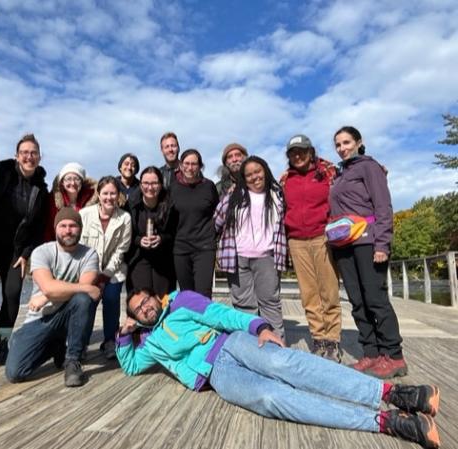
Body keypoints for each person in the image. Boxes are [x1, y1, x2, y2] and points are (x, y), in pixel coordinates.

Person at [116, 288, 441, 449]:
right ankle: (386, 421)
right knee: (269, 397)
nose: (144, 307)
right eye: (137, 309)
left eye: (146, 300)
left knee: (282, 362)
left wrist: (259, 327)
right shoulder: (148, 342)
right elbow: (130, 367)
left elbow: (221, 315)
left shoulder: (181, 301)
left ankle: (394, 393)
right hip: (216, 375)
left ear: (155, 298)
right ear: (136, 317)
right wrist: (123, 336)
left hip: (230, 343)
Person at [329, 126, 406, 378]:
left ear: (359, 142)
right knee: (357, 301)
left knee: (375, 299)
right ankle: (371, 353)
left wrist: (382, 244)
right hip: (344, 245)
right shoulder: (339, 174)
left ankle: (394, 356)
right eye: (338, 144)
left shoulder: (370, 167)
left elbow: (383, 206)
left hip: (368, 242)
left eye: (346, 142)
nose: (342, 148)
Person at [0, 134, 48, 371]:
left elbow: (37, 228)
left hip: (15, 252)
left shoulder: (40, 190)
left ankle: (3, 346)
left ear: (39, 157)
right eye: (24, 152)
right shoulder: (1, 170)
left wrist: (26, 253)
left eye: (33, 152)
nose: (29, 156)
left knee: (12, 295)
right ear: (17, 156)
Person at [5, 207, 100, 387]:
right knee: (15, 373)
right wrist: (48, 294)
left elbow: (83, 294)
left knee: (83, 300)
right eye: (63, 226)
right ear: (55, 228)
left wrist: (47, 295)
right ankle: (54, 346)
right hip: (40, 319)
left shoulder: (89, 254)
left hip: (68, 315)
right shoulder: (41, 252)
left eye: (73, 226)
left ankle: (73, 361)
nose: (68, 230)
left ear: (80, 228)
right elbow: (51, 287)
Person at [280, 134, 342, 361]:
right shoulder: (286, 180)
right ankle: (319, 338)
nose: (298, 156)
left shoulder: (327, 172)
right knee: (309, 293)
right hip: (296, 240)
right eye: (293, 152)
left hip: (322, 237)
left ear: (311, 152)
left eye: (302, 151)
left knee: (329, 290)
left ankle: (333, 340)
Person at [214, 156, 287, 340]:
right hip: (238, 259)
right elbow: (216, 221)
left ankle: (277, 345)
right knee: (244, 306)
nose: (255, 177)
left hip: (267, 257)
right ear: (243, 178)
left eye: (258, 172)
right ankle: (251, 346)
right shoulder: (233, 195)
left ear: (265, 171)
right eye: (249, 175)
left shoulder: (277, 194)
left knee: (270, 303)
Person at [80, 176, 132, 359]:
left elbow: (121, 250)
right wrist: (93, 275)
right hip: (88, 270)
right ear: (98, 194)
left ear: (118, 195)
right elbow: (79, 247)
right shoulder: (84, 215)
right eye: (105, 193)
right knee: (87, 303)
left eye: (113, 193)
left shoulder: (124, 218)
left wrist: (106, 275)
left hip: (113, 271)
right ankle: (81, 342)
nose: (109, 197)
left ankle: (109, 340)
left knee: (111, 299)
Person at [170, 149, 219, 297]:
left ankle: (205, 320)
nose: (190, 167)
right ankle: (191, 321)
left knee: (203, 292)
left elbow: (218, 213)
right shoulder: (173, 187)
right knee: (187, 294)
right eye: (186, 163)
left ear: (199, 166)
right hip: (181, 247)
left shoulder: (209, 186)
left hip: (204, 247)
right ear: (180, 164)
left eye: (194, 164)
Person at [125, 166, 177, 296]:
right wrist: (138, 240)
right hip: (139, 256)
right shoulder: (132, 204)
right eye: (146, 183)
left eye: (154, 183)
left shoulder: (170, 205)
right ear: (141, 185)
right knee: (141, 297)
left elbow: (175, 232)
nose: (150, 187)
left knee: (163, 299)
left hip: (164, 258)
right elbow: (126, 234)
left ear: (160, 185)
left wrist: (161, 238)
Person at [43, 162, 96, 242]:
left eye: (77, 179)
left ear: (82, 182)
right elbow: (48, 228)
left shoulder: (93, 200)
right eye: (68, 179)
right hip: (57, 246)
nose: (73, 183)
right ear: (62, 182)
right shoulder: (52, 201)